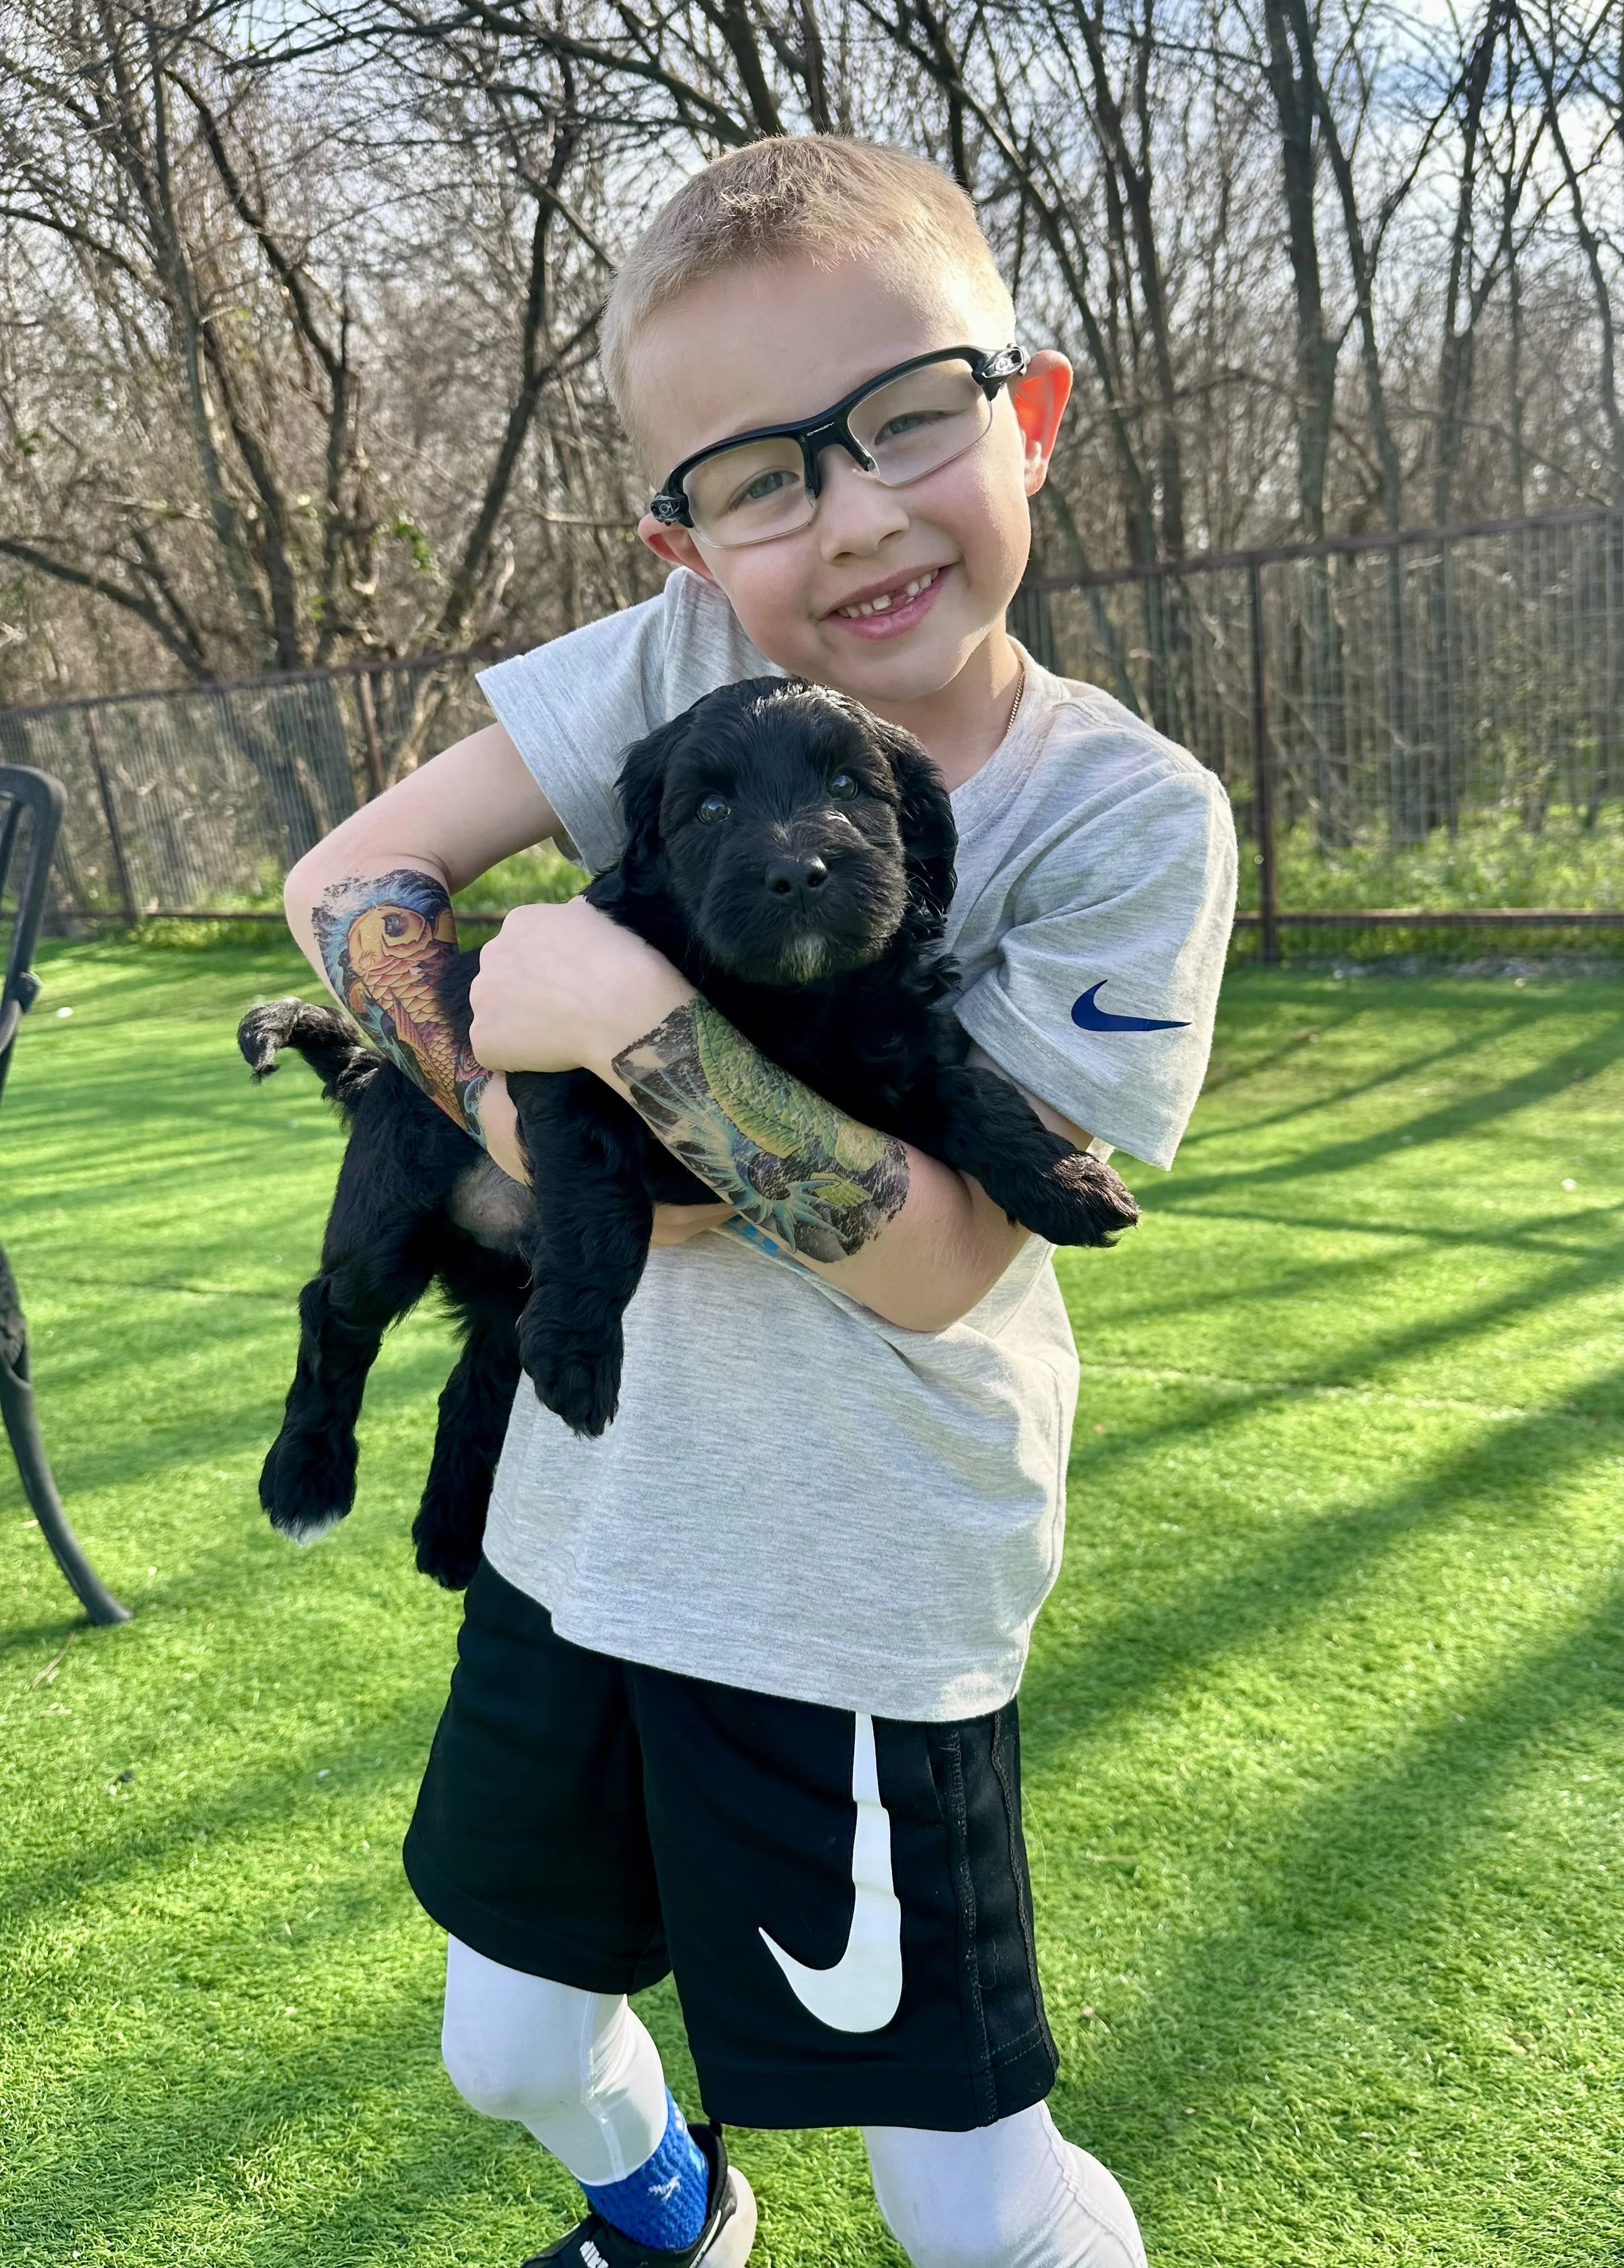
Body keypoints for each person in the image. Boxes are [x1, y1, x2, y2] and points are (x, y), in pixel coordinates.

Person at [282, 136, 1236, 2268]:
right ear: (687, 540)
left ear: (1030, 410)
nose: (858, 512)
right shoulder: (652, 673)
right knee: (512, 2047)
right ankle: (672, 2216)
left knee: (966, 2205)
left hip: (854, 1590)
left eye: (908, 418)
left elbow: (938, 1260)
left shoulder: (1117, 813)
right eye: (760, 473)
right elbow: (348, 886)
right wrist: (516, 1115)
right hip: (582, 1527)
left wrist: (630, 1030)